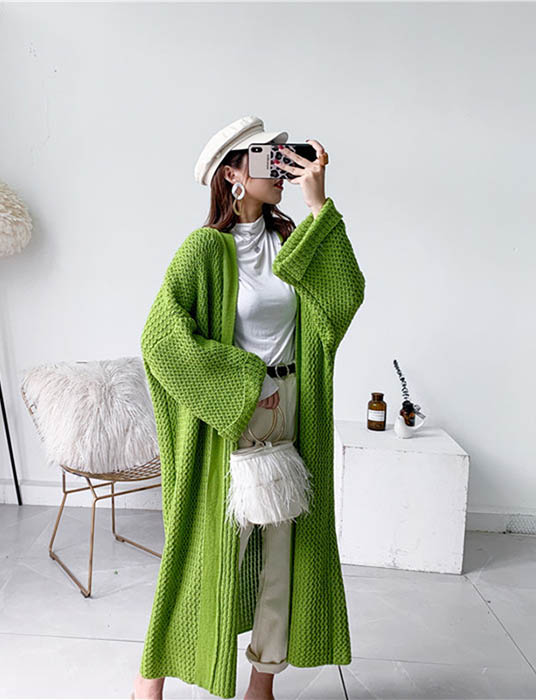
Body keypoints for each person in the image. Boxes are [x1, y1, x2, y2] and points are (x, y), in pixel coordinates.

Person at [133, 116, 365, 700]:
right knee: (212, 549)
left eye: (281, 156)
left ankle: (262, 683)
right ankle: (148, 683)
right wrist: (244, 384)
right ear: (232, 174)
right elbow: (160, 340)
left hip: (294, 410)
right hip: (235, 417)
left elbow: (343, 297)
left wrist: (318, 205)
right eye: (264, 157)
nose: (278, 167)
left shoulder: (292, 242)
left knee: (283, 556)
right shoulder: (204, 250)